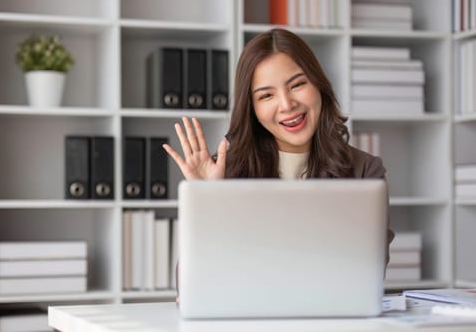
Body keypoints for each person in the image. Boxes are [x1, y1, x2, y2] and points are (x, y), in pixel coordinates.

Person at [163, 28, 395, 272]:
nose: (287, 105)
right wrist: (207, 202)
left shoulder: (364, 171)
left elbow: (370, 270)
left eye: (297, 84)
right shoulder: (225, 174)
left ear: (318, 85)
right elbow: (192, 285)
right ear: (251, 109)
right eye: (266, 96)